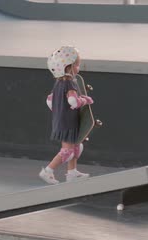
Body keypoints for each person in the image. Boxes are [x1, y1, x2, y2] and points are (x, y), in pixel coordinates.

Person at [39, 46, 92, 185]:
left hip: (64, 121)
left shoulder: (59, 83)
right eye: (77, 64)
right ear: (68, 67)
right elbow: (73, 101)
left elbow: (49, 100)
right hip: (68, 123)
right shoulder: (69, 83)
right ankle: (48, 171)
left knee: (76, 146)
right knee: (67, 151)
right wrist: (85, 100)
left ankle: (72, 173)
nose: (78, 68)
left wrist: (59, 110)